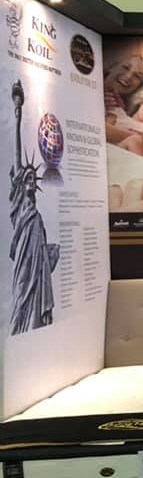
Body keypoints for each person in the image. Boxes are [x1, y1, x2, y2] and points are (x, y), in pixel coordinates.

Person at [8, 80, 59, 334]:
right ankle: (17, 332)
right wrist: (18, 116)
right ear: (20, 183)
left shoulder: (37, 214)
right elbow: (17, 155)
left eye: (32, 178)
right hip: (23, 260)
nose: (30, 181)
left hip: (37, 262)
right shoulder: (19, 205)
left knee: (35, 294)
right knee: (20, 295)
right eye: (26, 178)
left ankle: (34, 329)